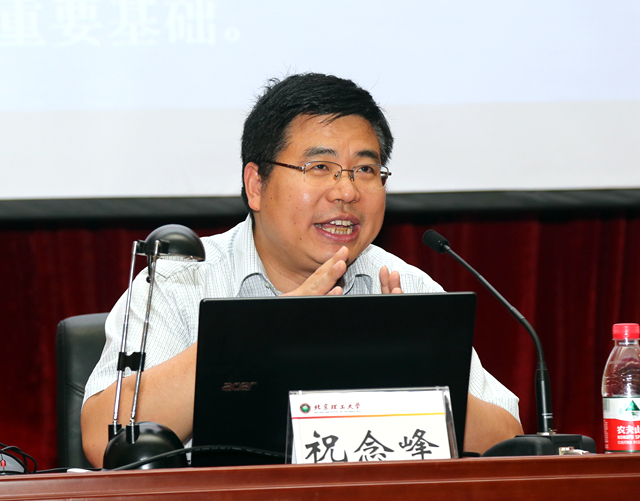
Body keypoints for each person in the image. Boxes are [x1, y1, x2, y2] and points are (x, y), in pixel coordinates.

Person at [81, 73, 523, 467]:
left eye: (365, 169)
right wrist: (262, 332)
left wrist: (420, 375)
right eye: (320, 167)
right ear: (256, 185)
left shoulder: (405, 288)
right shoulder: (182, 280)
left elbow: (508, 442)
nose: (346, 191)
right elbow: (105, 439)